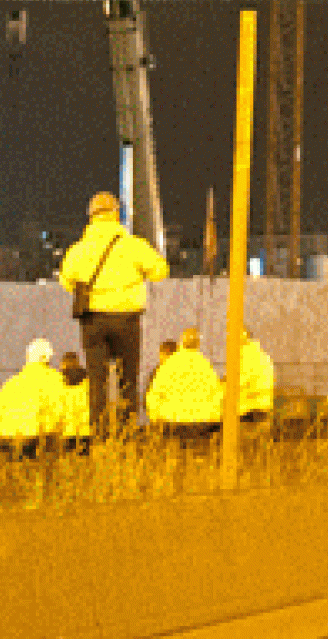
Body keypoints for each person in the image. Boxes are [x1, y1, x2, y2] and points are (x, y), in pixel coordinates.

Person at [58, 191, 168, 434]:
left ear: (91, 217)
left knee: (97, 382)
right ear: (116, 215)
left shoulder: (78, 250)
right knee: (128, 379)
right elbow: (161, 271)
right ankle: (126, 434)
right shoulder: (134, 246)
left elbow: (66, 281)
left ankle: (98, 437)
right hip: (126, 319)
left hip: (92, 321)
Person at [0, 338, 68, 457]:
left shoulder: (11, 383)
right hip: (38, 439)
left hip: (9, 438)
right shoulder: (56, 379)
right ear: (47, 358)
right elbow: (62, 412)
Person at [146, 328, 224, 441]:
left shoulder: (170, 365)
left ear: (181, 343)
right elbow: (218, 396)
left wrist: (156, 418)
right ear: (198, 345)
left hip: (174, 422)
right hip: (203, 423)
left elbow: (154, 396)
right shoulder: (206, 366)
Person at [234, 330, 276, 425]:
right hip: (263, 406)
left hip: (251, 408)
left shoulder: (246, 356)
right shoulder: (261, 354)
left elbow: (238, 382)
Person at [58, 351, 91, 453]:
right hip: (85, 429)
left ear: (63, 363)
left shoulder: (59, 380)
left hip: (67, 429)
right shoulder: (88, 379)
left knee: (68, 462)